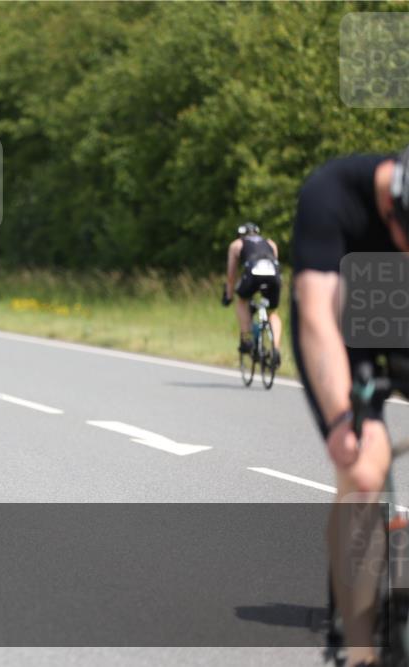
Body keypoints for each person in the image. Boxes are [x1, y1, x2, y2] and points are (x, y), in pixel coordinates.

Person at [292, 146, 409, 667]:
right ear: (391, 209)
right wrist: (344, 418)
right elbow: (316, 316)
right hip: (339, 320)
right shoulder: (330, 194)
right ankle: (356, 644)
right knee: (363, 470)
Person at [221, 221, 283, 367]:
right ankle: (276, 348)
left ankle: (247, 338)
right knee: (273, 313)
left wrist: (228, 296)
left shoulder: (236, 244)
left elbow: (231, 275)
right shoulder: (270, 243)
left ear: (240, 234)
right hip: (273, 275)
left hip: (253, 273)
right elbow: (276, 264)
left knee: (242, 301)